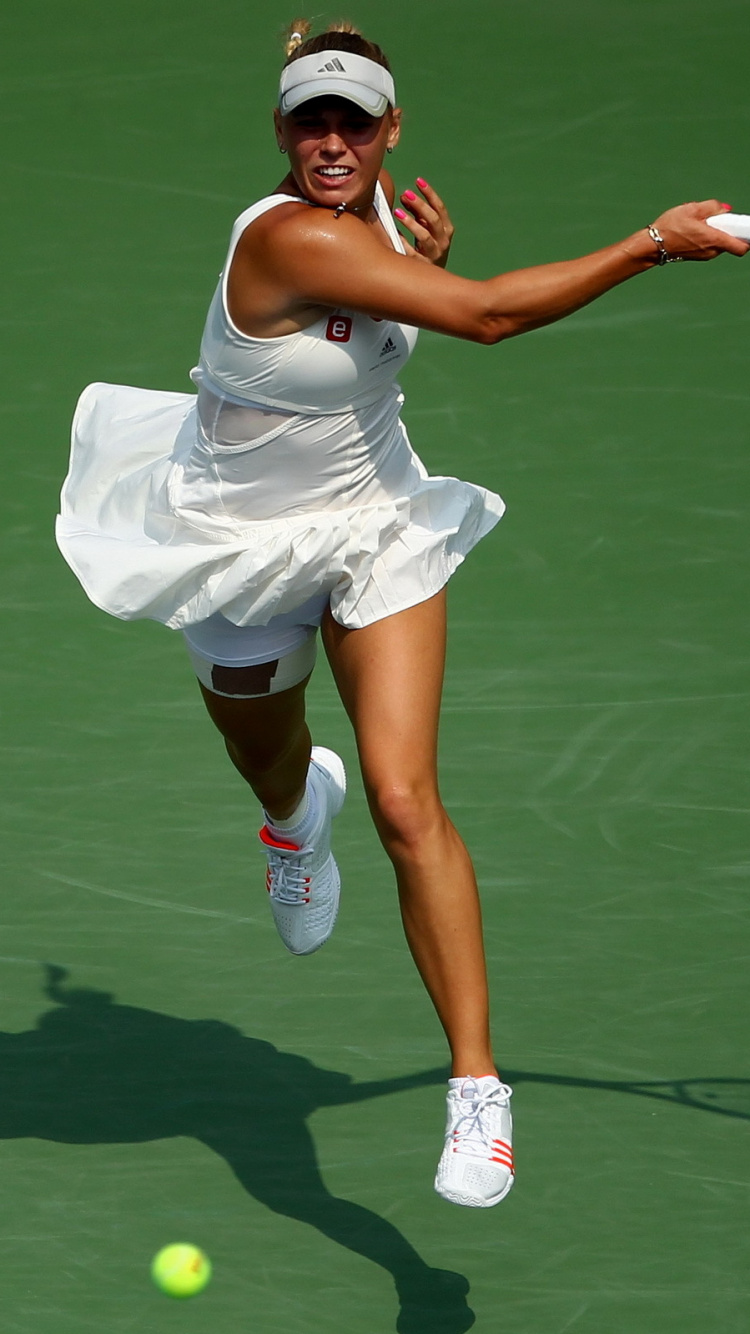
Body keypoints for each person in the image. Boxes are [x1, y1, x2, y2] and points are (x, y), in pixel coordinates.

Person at [56, 17, 748, 1211]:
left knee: (406, 797)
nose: (333, 140)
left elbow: (423, 303)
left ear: (390, 127)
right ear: (278, 130)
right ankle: (291, 817)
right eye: (310, 120)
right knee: (272, 761)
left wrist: (418, 262)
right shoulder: (281, 240)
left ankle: (478, 1089)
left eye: (356, 120)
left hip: (376, 519)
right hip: (239, 543)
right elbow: (481, 317)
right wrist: (656, 242)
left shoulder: (375, 216)